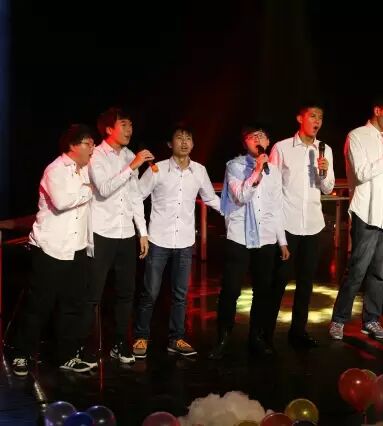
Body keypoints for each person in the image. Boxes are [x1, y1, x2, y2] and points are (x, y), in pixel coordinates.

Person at [11, 124, 95, 376]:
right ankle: (21, 354)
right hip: (51, 247)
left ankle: (67, 355)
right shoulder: (55, 169)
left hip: (77, 248)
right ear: (73, 146)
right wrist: (89, 190)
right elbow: (61, 201)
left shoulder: (85, 170)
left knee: (72, 304)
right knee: (39, 304)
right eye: (88, 143)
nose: (92, 148)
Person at [132, 124, 221, 358]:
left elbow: (211, 198)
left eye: (188, 138)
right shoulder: (157, 169)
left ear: (193, 143)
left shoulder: (199, 171)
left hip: (184, 241)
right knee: (150, 292)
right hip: (158, 240)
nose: (184, 142)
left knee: (181, 294)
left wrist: (235, 213)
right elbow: (136, 197)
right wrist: (142, 232)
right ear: (170, 144)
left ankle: (177, 338)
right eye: (179, 138)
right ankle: (141, 336)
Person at [329, 97, 383, 340]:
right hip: (366, 211)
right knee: (357, 270)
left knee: (379, 273)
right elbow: (362, 173)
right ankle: (339, 320)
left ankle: (372, 320)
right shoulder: (357, 136)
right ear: (377, 110)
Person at [208, 124, 290, 360]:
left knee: (262, 290)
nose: (258, 140)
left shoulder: (275, 172)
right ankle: (223, 338)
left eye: (262, 136)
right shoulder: (234, 166)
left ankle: (256, 337)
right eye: (253, 137)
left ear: (268, 141)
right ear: (245, 143)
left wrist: (282, 241)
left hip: (266, 238)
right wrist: (256, 171)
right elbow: (241, 195)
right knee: (231, 290)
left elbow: (276, 207)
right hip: (239, 237)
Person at [82, 107, 155, 364]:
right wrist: (132, 166)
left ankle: (120, 343)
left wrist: (142, 232)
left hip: (126, 233)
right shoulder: (97, 155)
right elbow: (103, 189)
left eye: (131, 124)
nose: (129, 129)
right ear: (108, 129)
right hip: (102, 232)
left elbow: (135, 197)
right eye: (123, 124)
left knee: (126, 292)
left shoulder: (129, 155)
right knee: (94, 293)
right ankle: (86, 345)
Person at [268, 103, 335, 348]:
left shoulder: (325, 150)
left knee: (306, 282)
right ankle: (266, 332)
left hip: (313, 224)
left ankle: (298, 332)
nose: (317, 121)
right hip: (288, 223)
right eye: (312, 116)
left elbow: (327, 188)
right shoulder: (282, 148)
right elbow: (271, 186)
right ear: (300, 118)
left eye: (320, 117)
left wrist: (324, 172)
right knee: (279, 280)